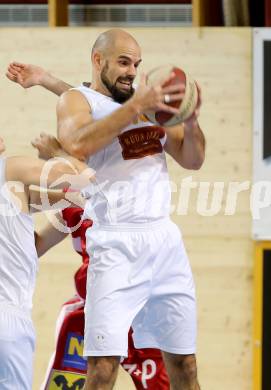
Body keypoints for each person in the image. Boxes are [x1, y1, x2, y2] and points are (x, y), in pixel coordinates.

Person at [7, 27, 205, 390]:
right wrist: (135, 107)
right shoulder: (79, 102)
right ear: (98, 61)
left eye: (137, 63)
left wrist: (189, 120)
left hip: (164, 240)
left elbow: (193, 160)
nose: (132, 70)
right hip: (115, 243)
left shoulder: (145, 107)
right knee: (101, 369)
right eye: (124, 62)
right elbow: (77, 141)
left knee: (185, 363)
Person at [0, 137, 91, 390]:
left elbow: (35, 245)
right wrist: (57, 153)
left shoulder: (18, 191)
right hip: (7, 317)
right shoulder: (10, 169)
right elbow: (84, 180)